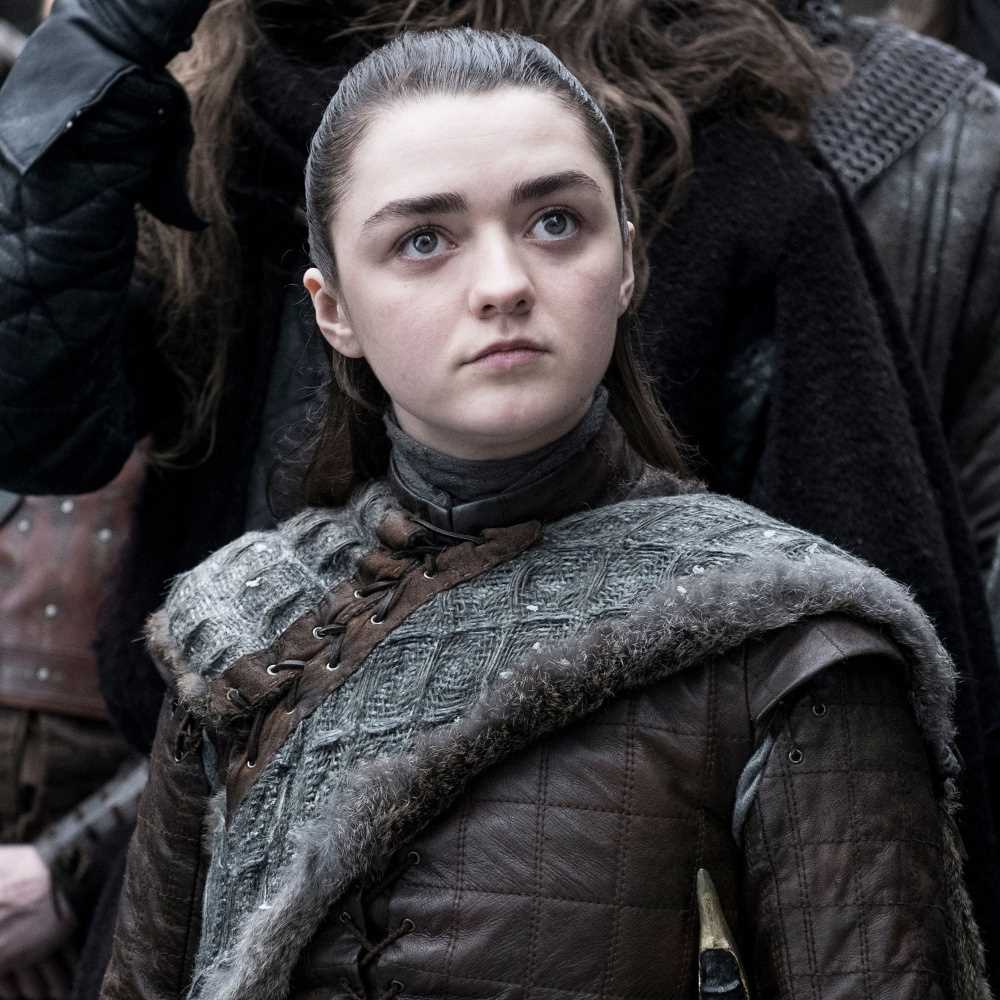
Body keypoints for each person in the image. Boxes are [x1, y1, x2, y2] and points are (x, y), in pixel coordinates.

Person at [1, 0, 998, 992]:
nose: (502, 283)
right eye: (423, 241)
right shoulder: (236, 622)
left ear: (628, 259)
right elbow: (34, 415)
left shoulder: (797, 641)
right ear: (332, 306)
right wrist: (89, 65)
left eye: (555, 223)